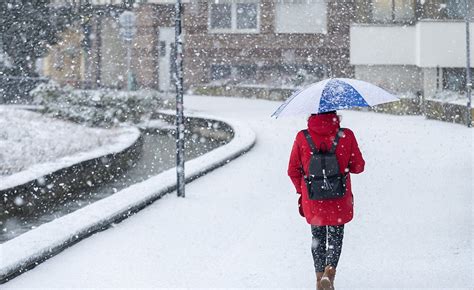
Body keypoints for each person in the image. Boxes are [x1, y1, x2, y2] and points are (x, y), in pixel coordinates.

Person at [287, 111, 365, 290]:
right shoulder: (346, 135)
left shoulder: (302, 137)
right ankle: (330, 272)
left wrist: (303, 190)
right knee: (336, 237)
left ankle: (318, 278)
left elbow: (292, 170)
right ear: (335, 115)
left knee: (317, 238)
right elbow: (358, 166)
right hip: (339, 197)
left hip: (313, 199)